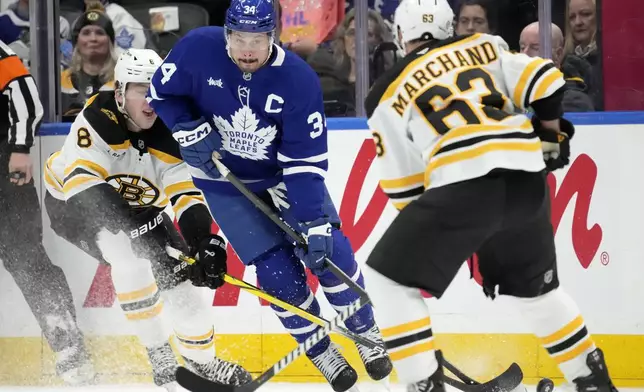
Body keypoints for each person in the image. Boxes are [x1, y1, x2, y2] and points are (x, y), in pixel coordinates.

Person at [362, 1, 619, 392]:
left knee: (387, 281)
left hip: (461, 187)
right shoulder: (486, 45)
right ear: (451, 28)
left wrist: (455, 237)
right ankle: (593, 379)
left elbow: (406, 190)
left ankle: (422, 384)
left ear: (400, 36)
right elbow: (547, 80)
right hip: (526, 180)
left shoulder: (384, 92)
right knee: (537, 292)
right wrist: (550, 137)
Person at [147, 0, 393, 391]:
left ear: (273, 37)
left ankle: (368, 334)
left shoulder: (298, 80)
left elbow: (303, 165)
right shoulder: (197, 49)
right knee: (276, 273)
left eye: (257, 39)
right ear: (226, 34)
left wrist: (313, 223)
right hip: (223, 181)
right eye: (239, 38)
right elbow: (160, 91)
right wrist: (186, 127)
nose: (247, 49)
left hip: (281, 176)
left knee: (330, 252)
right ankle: (322, 352)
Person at [43, 48, 251, 391]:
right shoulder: (98, 116)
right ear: (121, 92)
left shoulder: (174, 129)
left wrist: (203, 241)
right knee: (128, 258)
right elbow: (85, 190)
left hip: (138, 208)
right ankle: (159, 353)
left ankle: (204, 363)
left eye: (157, 89)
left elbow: (185, 195)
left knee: (182, 284)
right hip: (71, 204)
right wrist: (135, 232)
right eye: (142, 89)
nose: (152, 99)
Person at [0, 39, 94, 385]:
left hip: (3, 167)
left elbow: (23, 93)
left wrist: (20, 147)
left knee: (25, 256)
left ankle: (69, 345)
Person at [519, 22, 594, 112]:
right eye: (522, 47)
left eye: (535, 48)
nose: (524, 54)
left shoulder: (574, 101)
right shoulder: (513, 92)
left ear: (558, 55)